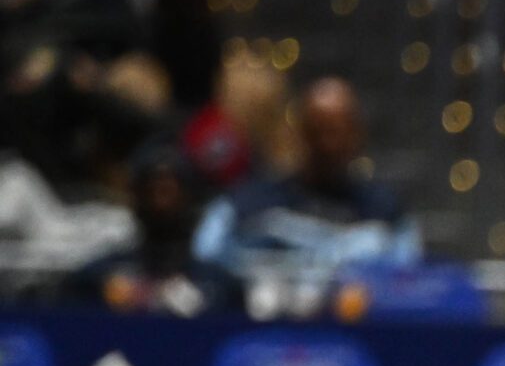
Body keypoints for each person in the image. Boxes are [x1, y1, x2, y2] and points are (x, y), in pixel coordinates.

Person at [194, 77, 420, 270]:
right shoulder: (248, 204)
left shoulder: (386, 213)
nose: (328, 145)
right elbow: (205, 256)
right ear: (300, 133)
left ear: (357, 136)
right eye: (317, 131)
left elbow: (408, 275)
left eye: (337, 132)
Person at [64, 141, 241, 316]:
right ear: (137, 198)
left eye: (168, 191)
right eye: (152, 191)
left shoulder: (218, 285)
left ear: (190, 199)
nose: (161, 203)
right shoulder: (101, 277)